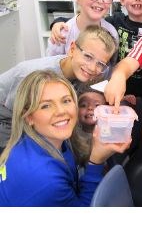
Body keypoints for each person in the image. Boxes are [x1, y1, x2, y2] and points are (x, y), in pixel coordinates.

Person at [0, 71, 130, 206]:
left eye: (66, 100)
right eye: (46, 105)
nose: (61, 111)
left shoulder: (48, 140)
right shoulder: (47, 178)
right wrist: (96, 161)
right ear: (29, 117)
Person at [50, 0, 142, 111]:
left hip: (125, 93)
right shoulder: (115, 22)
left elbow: (108, 71)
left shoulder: (113, 29)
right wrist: (57, 23)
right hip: (68, 97)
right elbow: (52, 67)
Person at [0, 26, 117, 150]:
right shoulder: (34, 76)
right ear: (72, 49)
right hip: (8, 118)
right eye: (88, 56)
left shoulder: (80, 72)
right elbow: (17, 113)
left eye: (100, 64)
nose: (93, 68)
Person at [46, 0, 119, 60]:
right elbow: (51, 67)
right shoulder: (62, 34)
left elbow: (111, 68)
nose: (100, 1)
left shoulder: (111, 33)